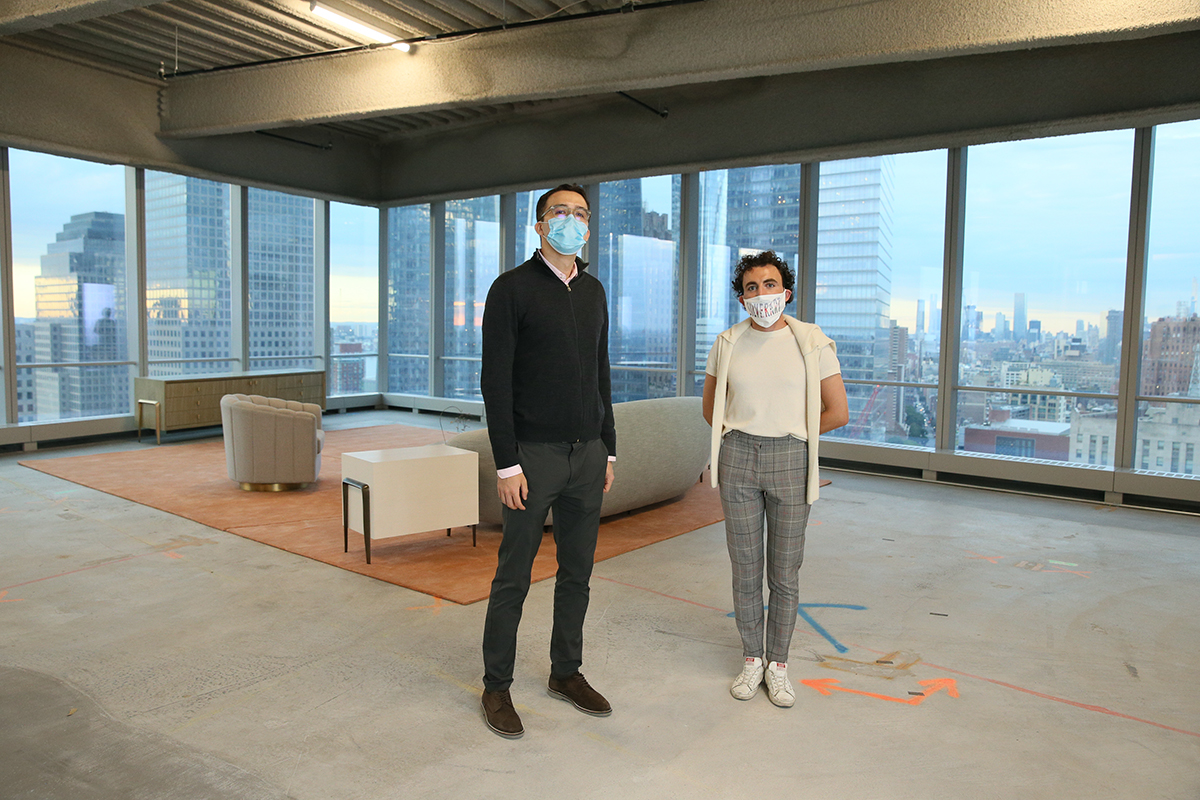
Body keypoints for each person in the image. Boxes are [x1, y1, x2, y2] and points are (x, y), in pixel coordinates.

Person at [478, 183, 617, 739]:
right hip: (532, 458)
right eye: (561, 212)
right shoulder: (511, 289)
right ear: (539, 226)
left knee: (577, 574)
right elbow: (495, 382)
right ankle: (495, 687)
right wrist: (507, 464)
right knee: (514, 576)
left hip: (589, 455)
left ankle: (566, 672)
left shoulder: (595, 290)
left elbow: (603, 374)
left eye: (581, 214)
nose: (572, 220)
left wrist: (610, 445)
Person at [701, 250, 849, 708]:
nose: (760, 294)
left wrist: (797, 430)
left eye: (769, 284)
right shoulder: (728, 342)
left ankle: (778, 664)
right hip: (738, 456)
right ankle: (751, 659)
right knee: (745, 568)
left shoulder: (813, 342)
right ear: (741, 298)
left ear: (785, 291)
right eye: (750, 288)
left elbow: (837, 412)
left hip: (792, 455)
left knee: (784, 572)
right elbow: (712, 409)